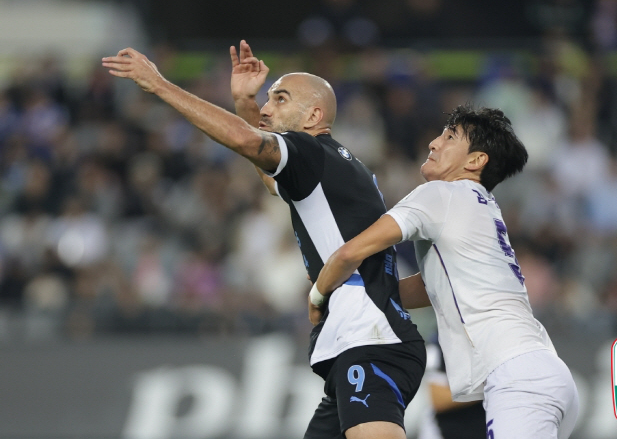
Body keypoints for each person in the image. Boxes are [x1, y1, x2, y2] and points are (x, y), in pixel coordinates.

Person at [102, 42, 425, 439]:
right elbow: (271, 178)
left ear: (314, 115)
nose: (267, 108)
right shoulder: (333, 163)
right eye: (267, 98)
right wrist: (243, 100)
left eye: (280, 98)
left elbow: (248, 142)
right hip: (364, 335)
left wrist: (159, 84)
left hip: (370, 338)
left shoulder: (309, 150)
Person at [311, 105, 580, 439]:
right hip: (541, 374)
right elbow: (428, 288)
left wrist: (319, 294)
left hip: (517, 379)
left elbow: (351, 251)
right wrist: (354, 294)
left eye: (450, 136)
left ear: (475, 161)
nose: (434, 143)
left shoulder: (443, 194)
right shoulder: (479, 207)